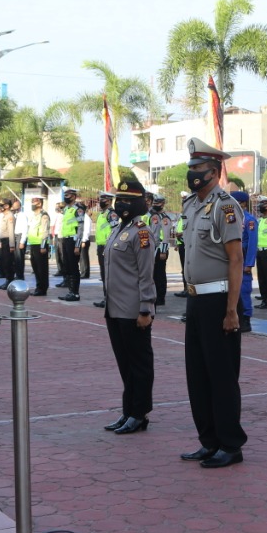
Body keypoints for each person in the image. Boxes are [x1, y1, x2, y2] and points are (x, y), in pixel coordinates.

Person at [179, 138, 246, 468]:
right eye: (190, 168)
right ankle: (208, 440)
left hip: (219, 301)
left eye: (199, 169)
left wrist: (232, 309)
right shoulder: (191, 206)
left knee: (221, 375)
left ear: (215, 172)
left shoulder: (227, 206)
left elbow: (236, 259)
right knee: (198, 374)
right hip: (195, 300)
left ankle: (230, 444)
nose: (192, 174)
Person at [101, 178, 158, 435]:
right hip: (114, 309)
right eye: (119, 199)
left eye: (128, 200)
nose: (121, 203)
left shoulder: (142, 232)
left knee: (139, 364)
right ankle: (128, 411)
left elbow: (146, 275)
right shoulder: (118, 228)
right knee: (124, 364)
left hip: (135, 310)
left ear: (138, 202)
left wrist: (146, 308)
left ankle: (139, 413)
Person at [230, 190, 258, 333]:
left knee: (244, 290)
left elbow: (253, 243)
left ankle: (246, 319)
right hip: (230, 260)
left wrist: (249, 264)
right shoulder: (231, 218)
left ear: (242, 203)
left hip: (243, 259)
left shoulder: (249, 220)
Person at [18, 195, 51, 295]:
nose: (32, 204)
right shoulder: (33, 215)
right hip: (33, 243)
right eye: (32, 202)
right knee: (35, 267)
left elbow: (45, 231)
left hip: (40, 245)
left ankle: (42, 288)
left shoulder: (43, 215)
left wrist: (43, 246)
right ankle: (38, 286)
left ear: (40, 203)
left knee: (42, 268)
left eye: (34, 202)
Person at [57, 188, 82, 300]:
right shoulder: (67, 209)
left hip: (73, 240)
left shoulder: (78, 209)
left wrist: (78, 245)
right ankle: (70, 291)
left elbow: (81, 227)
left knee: (73, 267)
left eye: (68, 195)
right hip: (66, 239)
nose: (66, 196)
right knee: (67, 266)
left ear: (73, 196)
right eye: (65, 194)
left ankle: (75, 293)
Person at [92, 191, 115, 308]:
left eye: (104, 199)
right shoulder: (102, 214)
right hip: (101, 245)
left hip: (108, 246)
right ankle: (106, 297)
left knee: (108, 274)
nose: (101, 201)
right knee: (104, 274)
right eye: (100, 199)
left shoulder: (111, 214)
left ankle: (110, 299)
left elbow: (114, 230)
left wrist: (109, 245)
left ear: (110, 201)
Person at [149, 194, 172, 305]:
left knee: (160, 274)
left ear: (162, 204)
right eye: (154, 203)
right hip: (153, 248)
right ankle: (155, 295)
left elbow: (166, 236)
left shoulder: (164, 218)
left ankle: (160, 297)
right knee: (153, 274)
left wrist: (163, 251)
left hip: (160, 249)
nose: (155, 205)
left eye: (157, 203)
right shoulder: (153, 216)